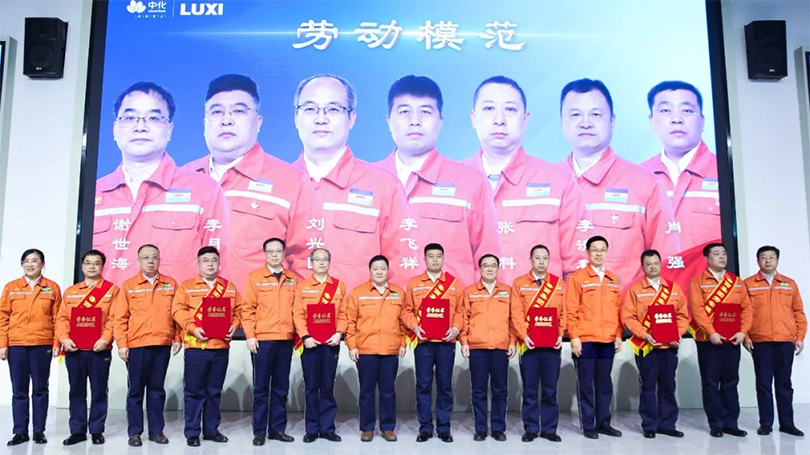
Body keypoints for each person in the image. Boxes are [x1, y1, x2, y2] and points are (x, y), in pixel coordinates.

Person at [183, 74, 318, 286]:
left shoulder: (292, 182)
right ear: (205, 123)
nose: (226, 120)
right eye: (216, 112)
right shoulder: (181, 180)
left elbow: (307, 263)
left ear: (258, 122)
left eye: (238, 111)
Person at [94, 81, 229, 285]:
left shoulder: (204, 191)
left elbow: (221, 270)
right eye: (129, 118)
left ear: (169, 130)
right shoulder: (94, 193)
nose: (140, 127)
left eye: (153, 118)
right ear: (115, 129)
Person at [291, 74, 411, 290]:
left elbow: (401, 272)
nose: (321, 118)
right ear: (296, 118)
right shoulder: (279, 185)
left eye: (333, 109)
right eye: (310, 109)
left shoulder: (384, 187)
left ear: (352, 118)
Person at [377, 75, 500, 286]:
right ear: (389, 121)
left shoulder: (471, 183)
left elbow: (489, 262)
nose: (414, 120)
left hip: (448, 306)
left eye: (425, 112)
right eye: (404, 111)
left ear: (440, 121)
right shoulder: (366, 182)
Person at [463, 76, 587, 282]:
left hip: (539, 303)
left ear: (526, 119)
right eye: (489, 109)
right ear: (473, 118)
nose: (499, 120)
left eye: (510, 109)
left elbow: (579, 268)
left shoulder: (560, 183)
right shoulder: (450, 183)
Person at [558, 78, 679, 286]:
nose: (585, 123)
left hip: (623, 306)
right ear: (562, 121)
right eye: (575, 114)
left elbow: (667, 264)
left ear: (612, 120)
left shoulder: (645, 184)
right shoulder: (548, 182)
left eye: (596, 114)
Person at [113, 244, 182, 446]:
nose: (150, 261)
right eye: (145, 258)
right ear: (138, 261)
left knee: (157, 390)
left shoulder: (171, 284)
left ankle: (156, 431)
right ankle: (135, 432)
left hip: (162, 344)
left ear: (159, 260)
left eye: (154, 257)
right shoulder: (129, 285)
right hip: (137, 345)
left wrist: (178, 338)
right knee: (135, 391)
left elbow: (177, 314)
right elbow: (120, 318)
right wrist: (122, 344)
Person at [172, 246, 240, 446]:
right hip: (197, 348)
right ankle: (192, 432)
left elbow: (240, 311)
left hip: (220, 348)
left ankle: (211, 430)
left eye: (214, 260)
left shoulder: (229, 288)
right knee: (194, 391)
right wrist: (192, 328)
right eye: (205, 260)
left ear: (219, 264)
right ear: (198, 264)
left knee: (214, 391)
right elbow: (177, 310)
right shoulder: (186, 287)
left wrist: (235, 326)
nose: (210, 264)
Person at [641, 81, 720, 251]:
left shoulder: (727, 173)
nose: (677, 119)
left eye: (687, 111)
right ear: (651, 121)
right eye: (665, 111)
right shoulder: (638, 176)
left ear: (702, 121)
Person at [401, 243, 465, 443]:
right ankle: (425, 428)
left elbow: (461, 311)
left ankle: (444, 428)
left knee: (445, 386)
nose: (435, 259)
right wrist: (414, 327)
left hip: (446, 342)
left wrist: (456, 328)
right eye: (431, 256)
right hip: (424, 343)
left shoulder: (454, 284)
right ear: (424, 259)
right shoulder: (414, 283)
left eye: (438, 256)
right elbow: (406, 311)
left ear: (443, 259)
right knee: (423, 386)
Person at [623, 250, 689, 438]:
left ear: (661, 264)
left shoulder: (674, 289)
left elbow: (683, 316)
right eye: (648, 264)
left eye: (655, 263)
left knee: (668, 386)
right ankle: (650, 425)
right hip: (647, 347)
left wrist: (677, 333)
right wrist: (645, 335)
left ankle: (668, 424)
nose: (652, 266)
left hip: (669, 347)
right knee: (648, 387)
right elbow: (629, 318)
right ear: (643, 267)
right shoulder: (635, 290)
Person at [688, 242, 751, 437]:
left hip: (732, 339)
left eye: (724, 253)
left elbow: (747, 309)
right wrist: (711, 332)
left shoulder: (736, 282)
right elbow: (697, 310)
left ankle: (731, 423)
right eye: (716, 254)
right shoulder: (697, 281)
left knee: (730, 382)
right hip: (708, 341)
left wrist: (743, 332)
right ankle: (715, 423)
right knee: (710, 382)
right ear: (706, 259)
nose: (722, 257)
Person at [57, 250, 120, 445]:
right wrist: (64, 339)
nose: (92, 266)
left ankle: (96, 430)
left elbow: (114, 319)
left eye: (96, 263)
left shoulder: (112, 291)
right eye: (88, 263)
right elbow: (62, 318)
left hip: (100, 350)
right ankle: (77, 431)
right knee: (76, 391)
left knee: (99, 391)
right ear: (82, 266)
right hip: (74, 350)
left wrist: (105, 339)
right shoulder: (71, 291)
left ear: (103, 266)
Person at [0, 249, 62, 446]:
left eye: (35, 261)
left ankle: (38, 431)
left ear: (42, 264)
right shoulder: (11, 287)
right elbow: (3, 317)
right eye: (26, 261)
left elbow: (58, 318)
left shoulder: (52, 287)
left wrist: (56, 343)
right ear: (22, 264)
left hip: (42, 344)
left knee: (40, 389)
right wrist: (2, 344)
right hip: (16, 344)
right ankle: (20, 432)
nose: (30, 264)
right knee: (19, 390)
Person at [743, 245, 806, 437]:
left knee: (784, 384)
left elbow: (798, 312)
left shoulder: (789, 284)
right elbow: (743, 313)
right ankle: (766, 423)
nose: (768, 260)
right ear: (758, 261)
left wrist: (800, 337)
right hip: (760, 340)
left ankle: (787, 423)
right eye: (764, 257)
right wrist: (746, 336)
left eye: (772, 257)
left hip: (785, 340)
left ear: (777, 260)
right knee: (763, 384)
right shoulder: (748, 284)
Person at [241, 238, 299, 446]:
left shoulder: (293, 279)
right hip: (263, 341)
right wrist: (250, 335)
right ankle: (259, 431)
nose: (274, 255)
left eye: (278, 251)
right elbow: (247, 309)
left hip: (285, 340)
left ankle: (277, 429)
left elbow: (298, 310)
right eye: (270, 252)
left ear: (284, 253)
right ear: (265, 254)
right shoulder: (255, 278)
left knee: (281, 388)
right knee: (261, 388)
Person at [564, 236, 623, 439]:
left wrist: (618, 335)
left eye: (602, 250)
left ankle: (603, 423)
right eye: (595, 250)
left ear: (607, 252)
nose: (599, 253)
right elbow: (570, 310)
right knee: (586, 384)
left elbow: (618, 310)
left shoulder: (612, 279)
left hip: (607, 340)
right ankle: (588, 424)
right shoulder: (577, 278)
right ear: (588, 252)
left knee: (604, 384)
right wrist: (574, 336)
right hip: (585, 340)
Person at [345, 255, 407, 442]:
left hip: (390, 350)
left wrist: (402, 343)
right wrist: (352, 346)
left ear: (388, 271)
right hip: (366, 350)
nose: (379, 272)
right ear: (370, 271)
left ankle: (388, 428)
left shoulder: (398, 293)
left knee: (388, 391)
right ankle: (367, 428)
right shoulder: (358, 293)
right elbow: (350, 322)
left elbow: (402, 322)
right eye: (375, 268)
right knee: (367, 391)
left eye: (383, 268)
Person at [510, 244, 565, 443]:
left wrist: (560, 334)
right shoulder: (519, 283)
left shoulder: (559, 284)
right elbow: (516, 314)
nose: (541, 262)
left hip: (552, 346)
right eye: (537, 258)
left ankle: (549, 429)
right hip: (529, 346)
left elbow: (564, 313)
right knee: (530, 390)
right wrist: (523, 336)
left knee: (550, 390)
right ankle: (531, 429)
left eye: (545, 258)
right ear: (531, 260)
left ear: (549, 260)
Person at [292, 248, 347, 443]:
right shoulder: (302, 287)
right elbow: (298, 314)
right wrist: (305, 336)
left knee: (327, 386)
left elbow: (343, 314)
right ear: (311, 263)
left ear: (329, 262)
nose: (321, 262)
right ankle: (312, 429)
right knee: (311, 387)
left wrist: (339, 333)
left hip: (331, 343)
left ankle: (327, 428)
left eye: (325, 259)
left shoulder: (339, 286)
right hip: (310, 344)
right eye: (317, 259)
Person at [459, 254, 514, 442]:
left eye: (493, 266)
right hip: (478, 348)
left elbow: (513, 320)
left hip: (500, 347)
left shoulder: (507, 291)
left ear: (498, 268)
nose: (489, 269)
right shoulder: (470, 292)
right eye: (485, 265)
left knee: (500, 390)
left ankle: (498, 428)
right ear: (480, 269)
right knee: (479, 390)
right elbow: (464, 319)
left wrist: (512, 342)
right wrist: (464, 342)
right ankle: (481, 428)